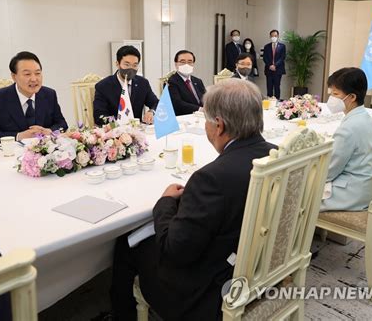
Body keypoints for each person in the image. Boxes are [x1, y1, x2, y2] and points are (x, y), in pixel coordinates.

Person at [108, 79, 276, 320]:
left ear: (218, 125)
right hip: (258, 264)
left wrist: (166, 202)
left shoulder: (211, 178)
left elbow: (174, 251)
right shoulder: (274, 153)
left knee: (128, 242)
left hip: (209, 289)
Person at [320, 67, 372, 212]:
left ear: (352, 97)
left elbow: (330, 170)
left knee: (298, 197)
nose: (331, 98)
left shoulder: (349, 128)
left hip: (351, 192)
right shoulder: (364, 117)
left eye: (335, 94)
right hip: (366, 185)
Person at [0, 51, 68, 142]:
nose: (34, 79)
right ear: (14, 76)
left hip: (43, 152)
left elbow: (62, 124)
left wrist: (50, 131)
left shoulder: (49, 94)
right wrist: (19, 136)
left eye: (37, 73)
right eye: (27, 74)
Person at [93, 45, 158, 126]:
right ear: (117, 64)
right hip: (114, 132)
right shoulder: (103, 86)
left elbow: (156, 102)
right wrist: (118, 121)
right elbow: (99, 116)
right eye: (127, 64)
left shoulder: (143, 83)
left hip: (138, 131)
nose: (131, 69)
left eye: (135, 65)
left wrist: (152, 111)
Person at [167, 50, 206, 116]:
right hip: (184, 117)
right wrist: (199, 109)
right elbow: (177, 104)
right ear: (176, 64)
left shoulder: (198, 81)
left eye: (190, 62)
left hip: (201, 116)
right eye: (183, 62)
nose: (186, 65)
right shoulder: (171, 81)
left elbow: (205, 98)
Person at [263, 29, 286, 100]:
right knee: (269, 87)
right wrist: (270, 65)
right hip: (269, 70)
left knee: (277, 86)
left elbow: (282, 58)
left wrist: (275, 65)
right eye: (272, 36)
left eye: (275, 36)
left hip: (278, 70)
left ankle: (277, 101)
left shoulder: (282, 46)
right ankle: (269, 102)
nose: (274, 37)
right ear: (270, 36)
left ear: (278, 36)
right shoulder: (266, 46)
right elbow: (265, 58)